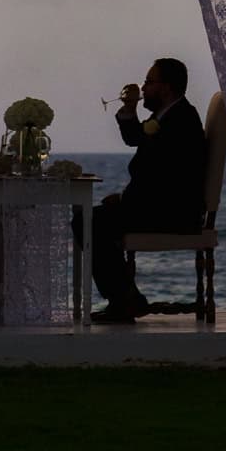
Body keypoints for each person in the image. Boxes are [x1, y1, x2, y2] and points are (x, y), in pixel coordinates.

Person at [89, 58, 207, 323]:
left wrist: (126, 201)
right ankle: (126, 298)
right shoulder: (168, 115)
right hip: (159, 206)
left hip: (172, 213)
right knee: (93, 220)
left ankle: (125, 301)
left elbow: (165, 179)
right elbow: (139, 143)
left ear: (166, 87)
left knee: (89, 222)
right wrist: (130, 109)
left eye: (149, 82)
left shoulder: (180, 120)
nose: (143, 88)